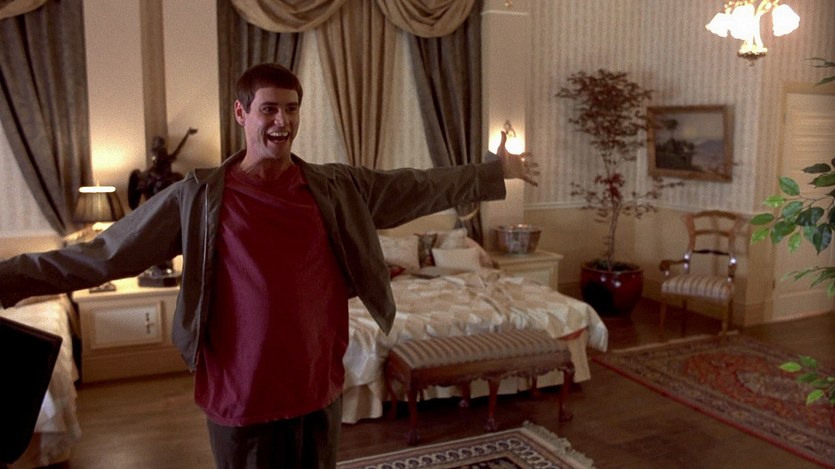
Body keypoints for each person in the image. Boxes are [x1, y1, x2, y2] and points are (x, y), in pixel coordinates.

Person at [0, 63, 539, 469]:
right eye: (270, 109)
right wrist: (9, 279)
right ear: (242, 114)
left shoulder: (335, 188)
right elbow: (105, 253)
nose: (283, 121)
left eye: (292, 109)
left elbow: (416, 186)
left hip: (316, 385)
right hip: (243, 394)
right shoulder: (198, 197)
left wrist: (493, 173)